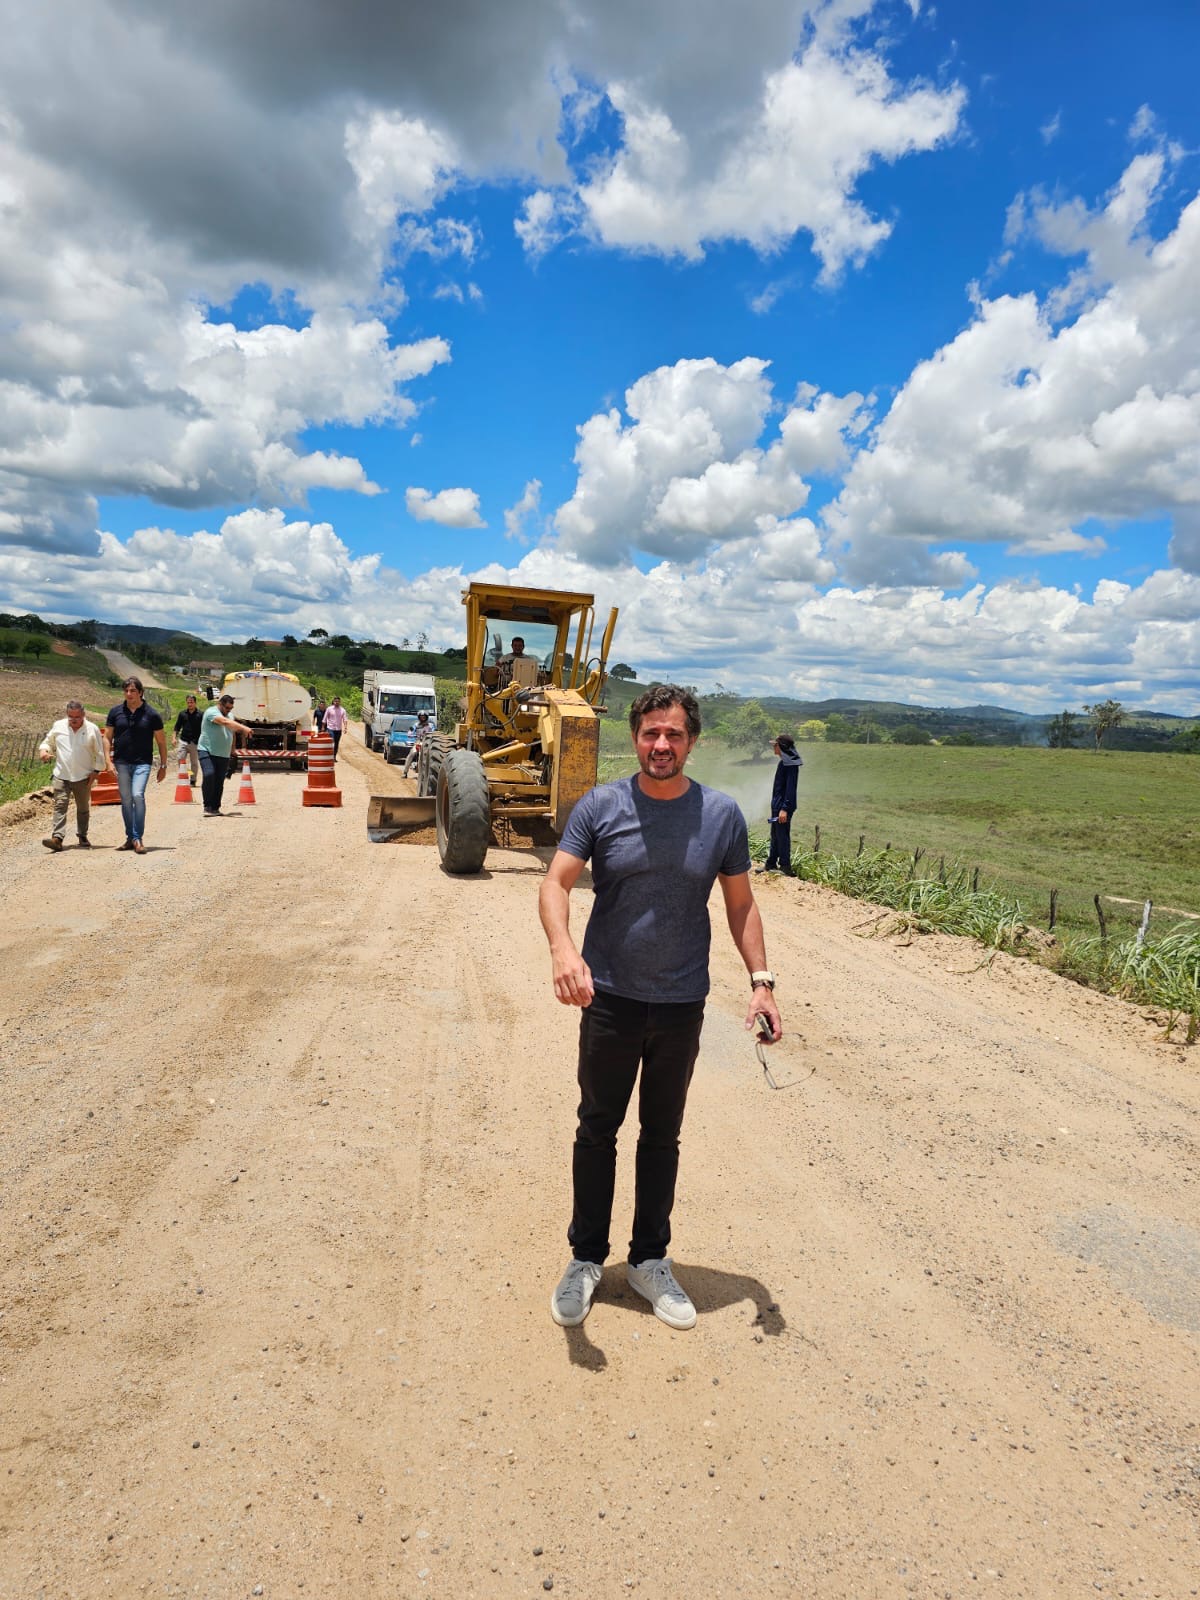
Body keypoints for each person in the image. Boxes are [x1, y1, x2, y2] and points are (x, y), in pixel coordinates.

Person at [539, 684, 782, 1332]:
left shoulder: (720, 816)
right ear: (635, 738)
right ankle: (586, 1258)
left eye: (674, 734)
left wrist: (761, 980)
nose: (662, 745)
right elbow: (556, 880)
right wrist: (564, 950)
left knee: (661, 1136)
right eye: (651, 733)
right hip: (611, 998)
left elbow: (740, 903)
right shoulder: (602, 805)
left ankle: (649, 1260)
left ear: (692, 741)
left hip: (680, 1005)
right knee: (598, 1129)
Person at [103, 677, 168, 854]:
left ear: (140, 692)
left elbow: (161, 742)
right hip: (121, 763)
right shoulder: (115, 712)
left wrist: (163, 766)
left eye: (132, 691)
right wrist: (108, 762)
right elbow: (107, 738)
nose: (129, 694)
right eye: (126, 691)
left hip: (142, 763)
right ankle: (130, 838)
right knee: (126, 800)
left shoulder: (152, 714)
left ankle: (137, 837)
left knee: (137, 795)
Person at [39, 699, 107, 852]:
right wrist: (44, 751)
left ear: (83, 714)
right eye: (71, 717)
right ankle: (57, 838)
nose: (74, 720)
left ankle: (82, 835)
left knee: (83, 807)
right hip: (62, 775)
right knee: (60, 805)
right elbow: (48, 742)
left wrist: (96, 772)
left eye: (77, 717)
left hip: (83, 776)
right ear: (67, 715)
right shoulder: (59, 726)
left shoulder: (92, 729)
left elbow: (99, 753)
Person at [197, 693, 255, 816]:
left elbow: (232, 732)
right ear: (220, 704)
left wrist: (233, 749)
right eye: (227, 708)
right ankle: (207, 806)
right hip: (206, 750)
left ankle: (215, 808)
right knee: (209, 774)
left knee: (219, 781)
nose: (228, 711)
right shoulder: (211, 712)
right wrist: (244, 728)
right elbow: (224, 722)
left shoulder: (230, 716)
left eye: (230, 709)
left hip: (223, 754)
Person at [761, 733, 803, 875]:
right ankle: (771, 864)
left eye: (775, 745)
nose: (773, 747)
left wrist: (784, 809)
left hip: (783, 807)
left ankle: (785, 867)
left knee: (782, 835)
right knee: (775, 835)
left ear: (781, 747)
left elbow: (791, 789)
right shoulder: (784, 763)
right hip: (777, 806)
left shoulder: (791, 766)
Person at [173, 694, 202, 787]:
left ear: (195, 703)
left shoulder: (200, 715)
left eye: (191, 702)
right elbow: (177, 727)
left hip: (195, 742)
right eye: (188, 702)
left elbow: (205, 729)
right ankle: (186, 775)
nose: (190, 704)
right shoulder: (182, 714)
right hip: (183, 741)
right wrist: (174, 738)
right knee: (180, 759)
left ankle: (193, 780)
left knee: (194, 763)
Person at [402, 709, 435, 778]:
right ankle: (405, 772)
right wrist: (410, 734)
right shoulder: (416, 725)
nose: (422, 718)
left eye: (424, 717)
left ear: (426, 717)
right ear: (419, 717)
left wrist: (431, 735)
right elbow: (410, 731)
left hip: (427, 743)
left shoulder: (431, 725)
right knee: (412, 754)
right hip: (418, 742)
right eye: (421, 717)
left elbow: (434, 732)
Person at [321, 695, 349, 759]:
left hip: (338, 729)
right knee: (332, 741)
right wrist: (323, 727)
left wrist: (345, 727)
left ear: (340, 702)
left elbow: (345, 719)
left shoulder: (342, 710)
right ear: (333, 702)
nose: (337, 702)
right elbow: (324, 718)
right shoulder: (329, 709)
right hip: (330, 728)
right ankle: (329, 755)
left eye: (338, 701)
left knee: (336, 743)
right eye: (335, 701)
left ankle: (334, 756)